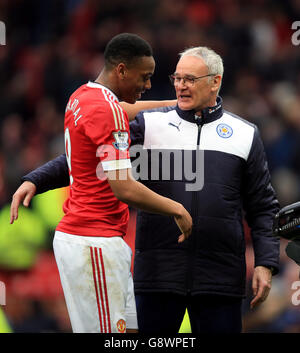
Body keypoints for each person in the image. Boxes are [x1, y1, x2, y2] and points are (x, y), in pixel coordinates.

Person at [11, 46, 279, 334]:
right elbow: (91, 155)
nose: (180, 85)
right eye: (177, 78)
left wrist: (265, 262)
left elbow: (262, 205)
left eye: (190, 79)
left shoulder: (244, 134)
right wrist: (37, 179)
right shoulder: (150, 124)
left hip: (219, 278)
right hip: (157, 277)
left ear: (216, 81)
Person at [10, 33, 193, 333]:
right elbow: (123, 187)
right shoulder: (106, 110)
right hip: (93, 240)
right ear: (121, 70)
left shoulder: (83, 96)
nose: (147, 86)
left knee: (130, 334)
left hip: (89, 239)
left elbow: (122, 112)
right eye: (144, 77)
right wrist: (177, 209)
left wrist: (178, 105)